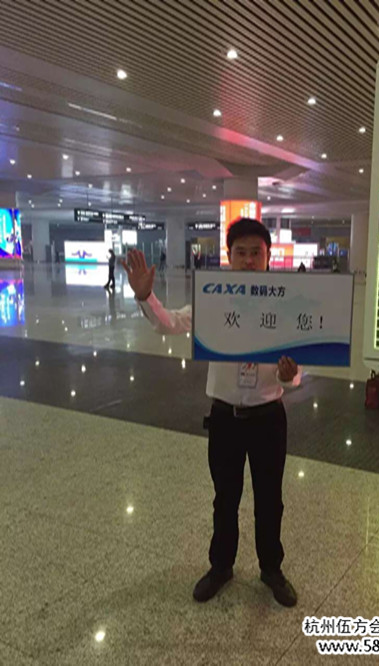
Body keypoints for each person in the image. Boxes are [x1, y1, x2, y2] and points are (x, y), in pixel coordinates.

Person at [122, 218, 301, 607]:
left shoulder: (284, 304)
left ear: (269, 257)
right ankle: (221, 566)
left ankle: (271, 568)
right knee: (225, 498)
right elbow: (171, 324)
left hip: (269, 417)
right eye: (241, 252)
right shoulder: (214, 300)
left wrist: (291, 376)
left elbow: (297, 365)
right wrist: (146, 296)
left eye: (256, 253)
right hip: (225, 419)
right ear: (229, 257)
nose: (249, 260)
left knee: (270, 499)